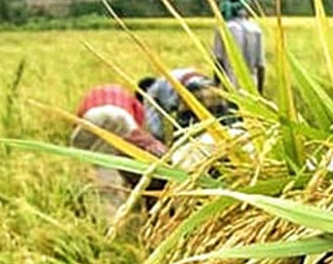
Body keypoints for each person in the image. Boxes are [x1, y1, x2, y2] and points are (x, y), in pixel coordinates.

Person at [70, 84, 167, 214]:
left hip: (93, 116)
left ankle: (92, 192)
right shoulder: (131, 98)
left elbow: (79, 117)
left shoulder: (92, 93)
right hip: (123, 117)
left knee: (95, 159)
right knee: (113, 161)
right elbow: (138, 128)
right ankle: (112, 206)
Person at [137, 68, 230, 144]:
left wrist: (161, 143)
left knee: (184, 138)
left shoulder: (151, 92)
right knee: (222, 131)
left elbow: (155, 123)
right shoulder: (167, 79)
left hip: (192, 91)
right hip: (212, 88)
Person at [213, 0, 265, 94]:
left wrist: (216, 86)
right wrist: (260, 92)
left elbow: (218, 61)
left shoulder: (224, 29)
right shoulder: (256, 29)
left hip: (231, 85)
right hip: (252, 86)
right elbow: (261, 66)